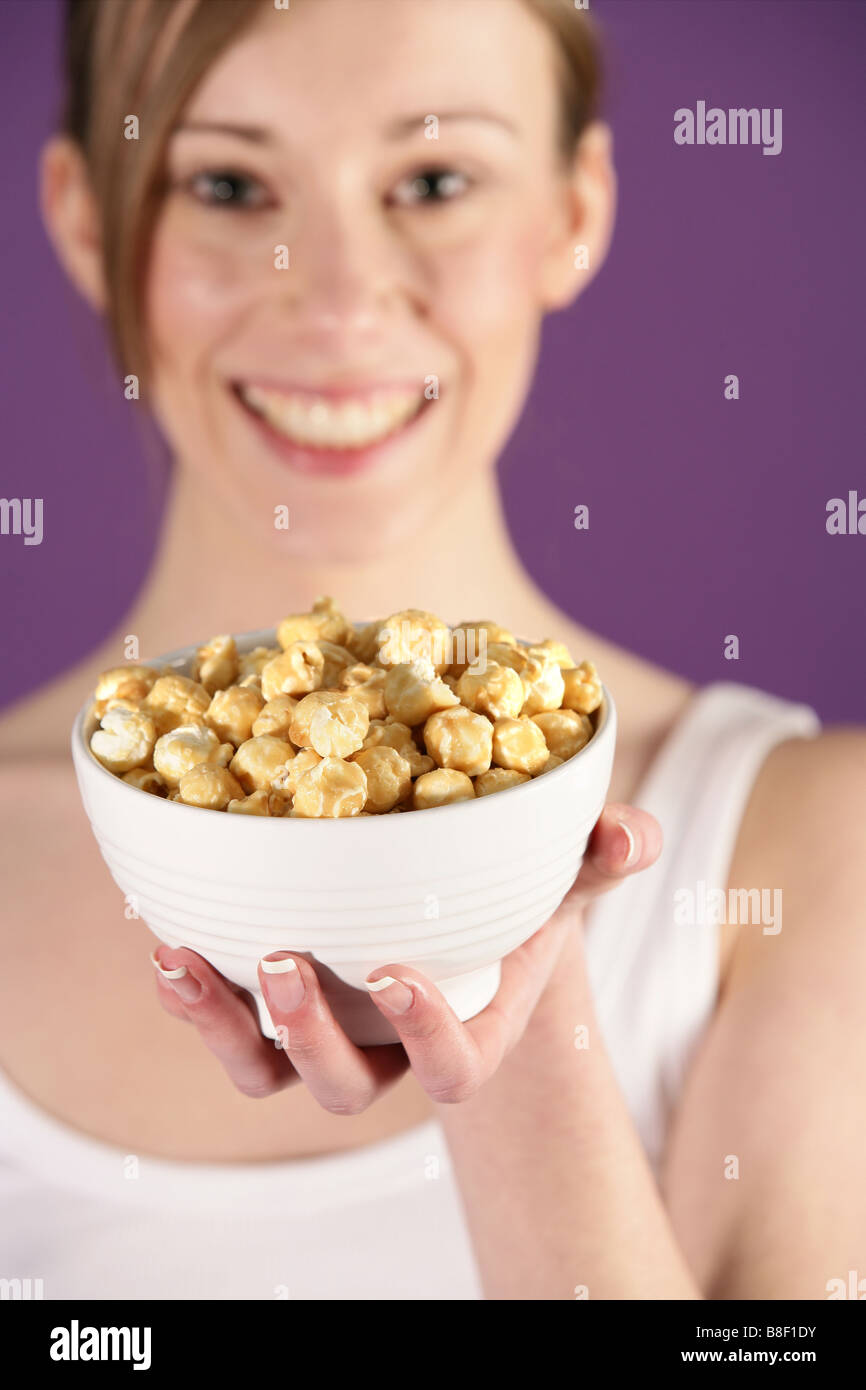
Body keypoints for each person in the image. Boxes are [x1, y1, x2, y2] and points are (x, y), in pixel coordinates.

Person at [0, 0, 863, 1301]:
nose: (340, 299)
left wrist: (512, 1013)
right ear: (86, 219)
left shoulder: (809, 846)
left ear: (570, 211)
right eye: (230, 183)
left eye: (434, 178)